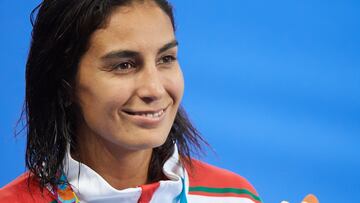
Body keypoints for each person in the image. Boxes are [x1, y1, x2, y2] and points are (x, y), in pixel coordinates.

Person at [0, 0, 261, 202]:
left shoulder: (234, 197)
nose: (155, 89)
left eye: (166, 59)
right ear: (65, 84)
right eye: (124, 65)